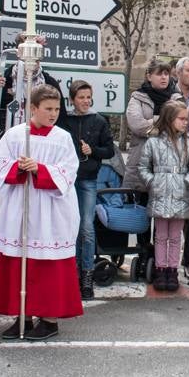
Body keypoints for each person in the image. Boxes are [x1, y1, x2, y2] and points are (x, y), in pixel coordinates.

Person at [0, 85, 83, 341]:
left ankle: (49, 319)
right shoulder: (16, 135)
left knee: (47, 265)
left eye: (57, 109)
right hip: (21, 206)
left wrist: (39, 169)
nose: (53, 114)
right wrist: (18, 167)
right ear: (33, 108)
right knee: (20, 261)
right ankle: (23, 316)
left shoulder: (62, 137)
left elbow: (69, 171)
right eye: (48, 109)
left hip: (51, 209)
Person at [60, 79, 115, 299]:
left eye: (88, 97)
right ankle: (71, 274)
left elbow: (109, 150)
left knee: (86, 227)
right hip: (67, 179)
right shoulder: (65, 121)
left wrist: (92, 151)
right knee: (70, 228)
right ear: (72, 99)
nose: (85, 101)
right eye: (81, 97)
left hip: (88, 179)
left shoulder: (99, 120)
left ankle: (87, 276)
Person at [140, 101, 189, 293]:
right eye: (181, 119)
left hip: (180, 195)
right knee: (160, 235)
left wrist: (186, 182)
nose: (185, 123)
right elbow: (143, 167)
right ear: (169, 119)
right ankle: (160, 269)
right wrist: (153, 182)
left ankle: (172, 270)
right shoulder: (153, 142)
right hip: (160, 194)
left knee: (175, 236)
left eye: (187, 119)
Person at [124, 59, 183, 193]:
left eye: (166, 74)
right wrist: (165, 121)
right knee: (139, 209)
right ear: (149, 76)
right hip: (141, 160)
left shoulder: (176, 98)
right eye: (159, 74)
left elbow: (180, 126)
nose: (163, 77)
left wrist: (151, 123)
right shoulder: (138, 97)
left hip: (169, 162)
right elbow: (137, 125)